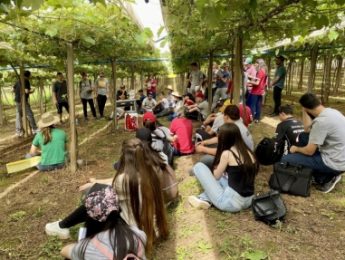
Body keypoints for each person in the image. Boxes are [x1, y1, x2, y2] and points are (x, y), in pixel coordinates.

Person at [45, 138, 168, 253]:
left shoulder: (123, 181)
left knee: (97, 201)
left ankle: (63, 226)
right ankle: (63, 225)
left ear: (125, 156)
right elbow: (117, 183)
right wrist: (96, 182)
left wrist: (93, 187)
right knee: (100, 191)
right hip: (152, 230)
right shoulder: (151, 173)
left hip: (133, 237)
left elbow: (110, 190)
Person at [60, 186, 147, 260]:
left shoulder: (90, 247)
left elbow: (64, 251)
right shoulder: (138, 233)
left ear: (91, 219)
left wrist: (79, 244)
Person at [281, 93, 345, 193]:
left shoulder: (321, 122)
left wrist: (296, 149)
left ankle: (326, 178)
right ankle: (326, 173)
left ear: (306, 107)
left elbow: (309, 151)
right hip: (340, 156)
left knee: (285, 159)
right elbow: (306, 130)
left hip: (333, 162)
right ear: (318, 101)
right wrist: (305, 110)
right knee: (303, 137)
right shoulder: (332, 112)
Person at [188, 123, 259, 211]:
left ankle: (205, 197)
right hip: (248, 200)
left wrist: (216, 165)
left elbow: (216, 176)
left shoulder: (227, 154)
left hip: (230, 203)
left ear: (224, 139)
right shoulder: (248, 151)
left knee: (199, 166)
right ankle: (204, 198)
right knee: (223, 178)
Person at [196, 105, 254, 170]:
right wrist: (204, 142)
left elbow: (221, 152)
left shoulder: (232, 129)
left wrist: (203, 149)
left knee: (205, 159)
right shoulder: (239, 121)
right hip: (248, 158)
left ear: (226, 117)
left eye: (223, 115)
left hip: (240, 163)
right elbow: (220, 138)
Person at [13, 70, 38, 136]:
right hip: (23, 100)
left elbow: (13, 90)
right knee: (30, 114)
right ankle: (34, 129)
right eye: (30, 75)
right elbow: (26, 91)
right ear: (28, 75)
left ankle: (19, 131)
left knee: (19, 115)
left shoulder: (18, 80)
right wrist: (32, 91)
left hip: (17, 100)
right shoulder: (26, 80)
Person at [249, 59, 268, 123]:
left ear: (260, 64)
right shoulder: (264, 71)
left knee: (252, 105)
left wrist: (249, 81)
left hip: (255, 91)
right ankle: (257, 118)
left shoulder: (260, 72)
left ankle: (251, 118)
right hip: (260, 91)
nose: (255, 64)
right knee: (258, 105)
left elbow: (257, 83)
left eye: (256, 63)